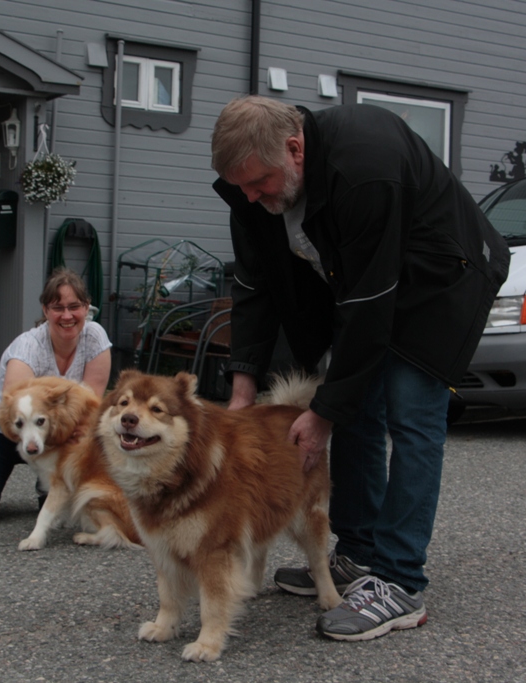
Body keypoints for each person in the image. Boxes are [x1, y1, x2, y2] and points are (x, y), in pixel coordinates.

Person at [211, 96, 509, 641]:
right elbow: (254, 286)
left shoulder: (363, 166)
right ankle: (357, 552)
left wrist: (323, 413)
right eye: (243, 189)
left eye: (260, 184)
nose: (252, 198)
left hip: (441, 275)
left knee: (410, 413)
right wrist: (242, 390)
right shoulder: (250, 184)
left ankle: (398, 581)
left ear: (295, 149)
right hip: (365, 285)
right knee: (356, 410)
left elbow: (373, 301)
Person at [0, 268, 112, 526]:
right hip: (0, 429)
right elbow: (13, 411)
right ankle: (4, 475)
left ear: (87, 308)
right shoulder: (28, 346)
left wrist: (70, 451)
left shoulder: (95, 337)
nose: (67, 315)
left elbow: (90, 411)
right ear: (45, 311)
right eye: (58, 308)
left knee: (65, 505)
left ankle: (48, 487)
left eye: (74, 306)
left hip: (52, 430)